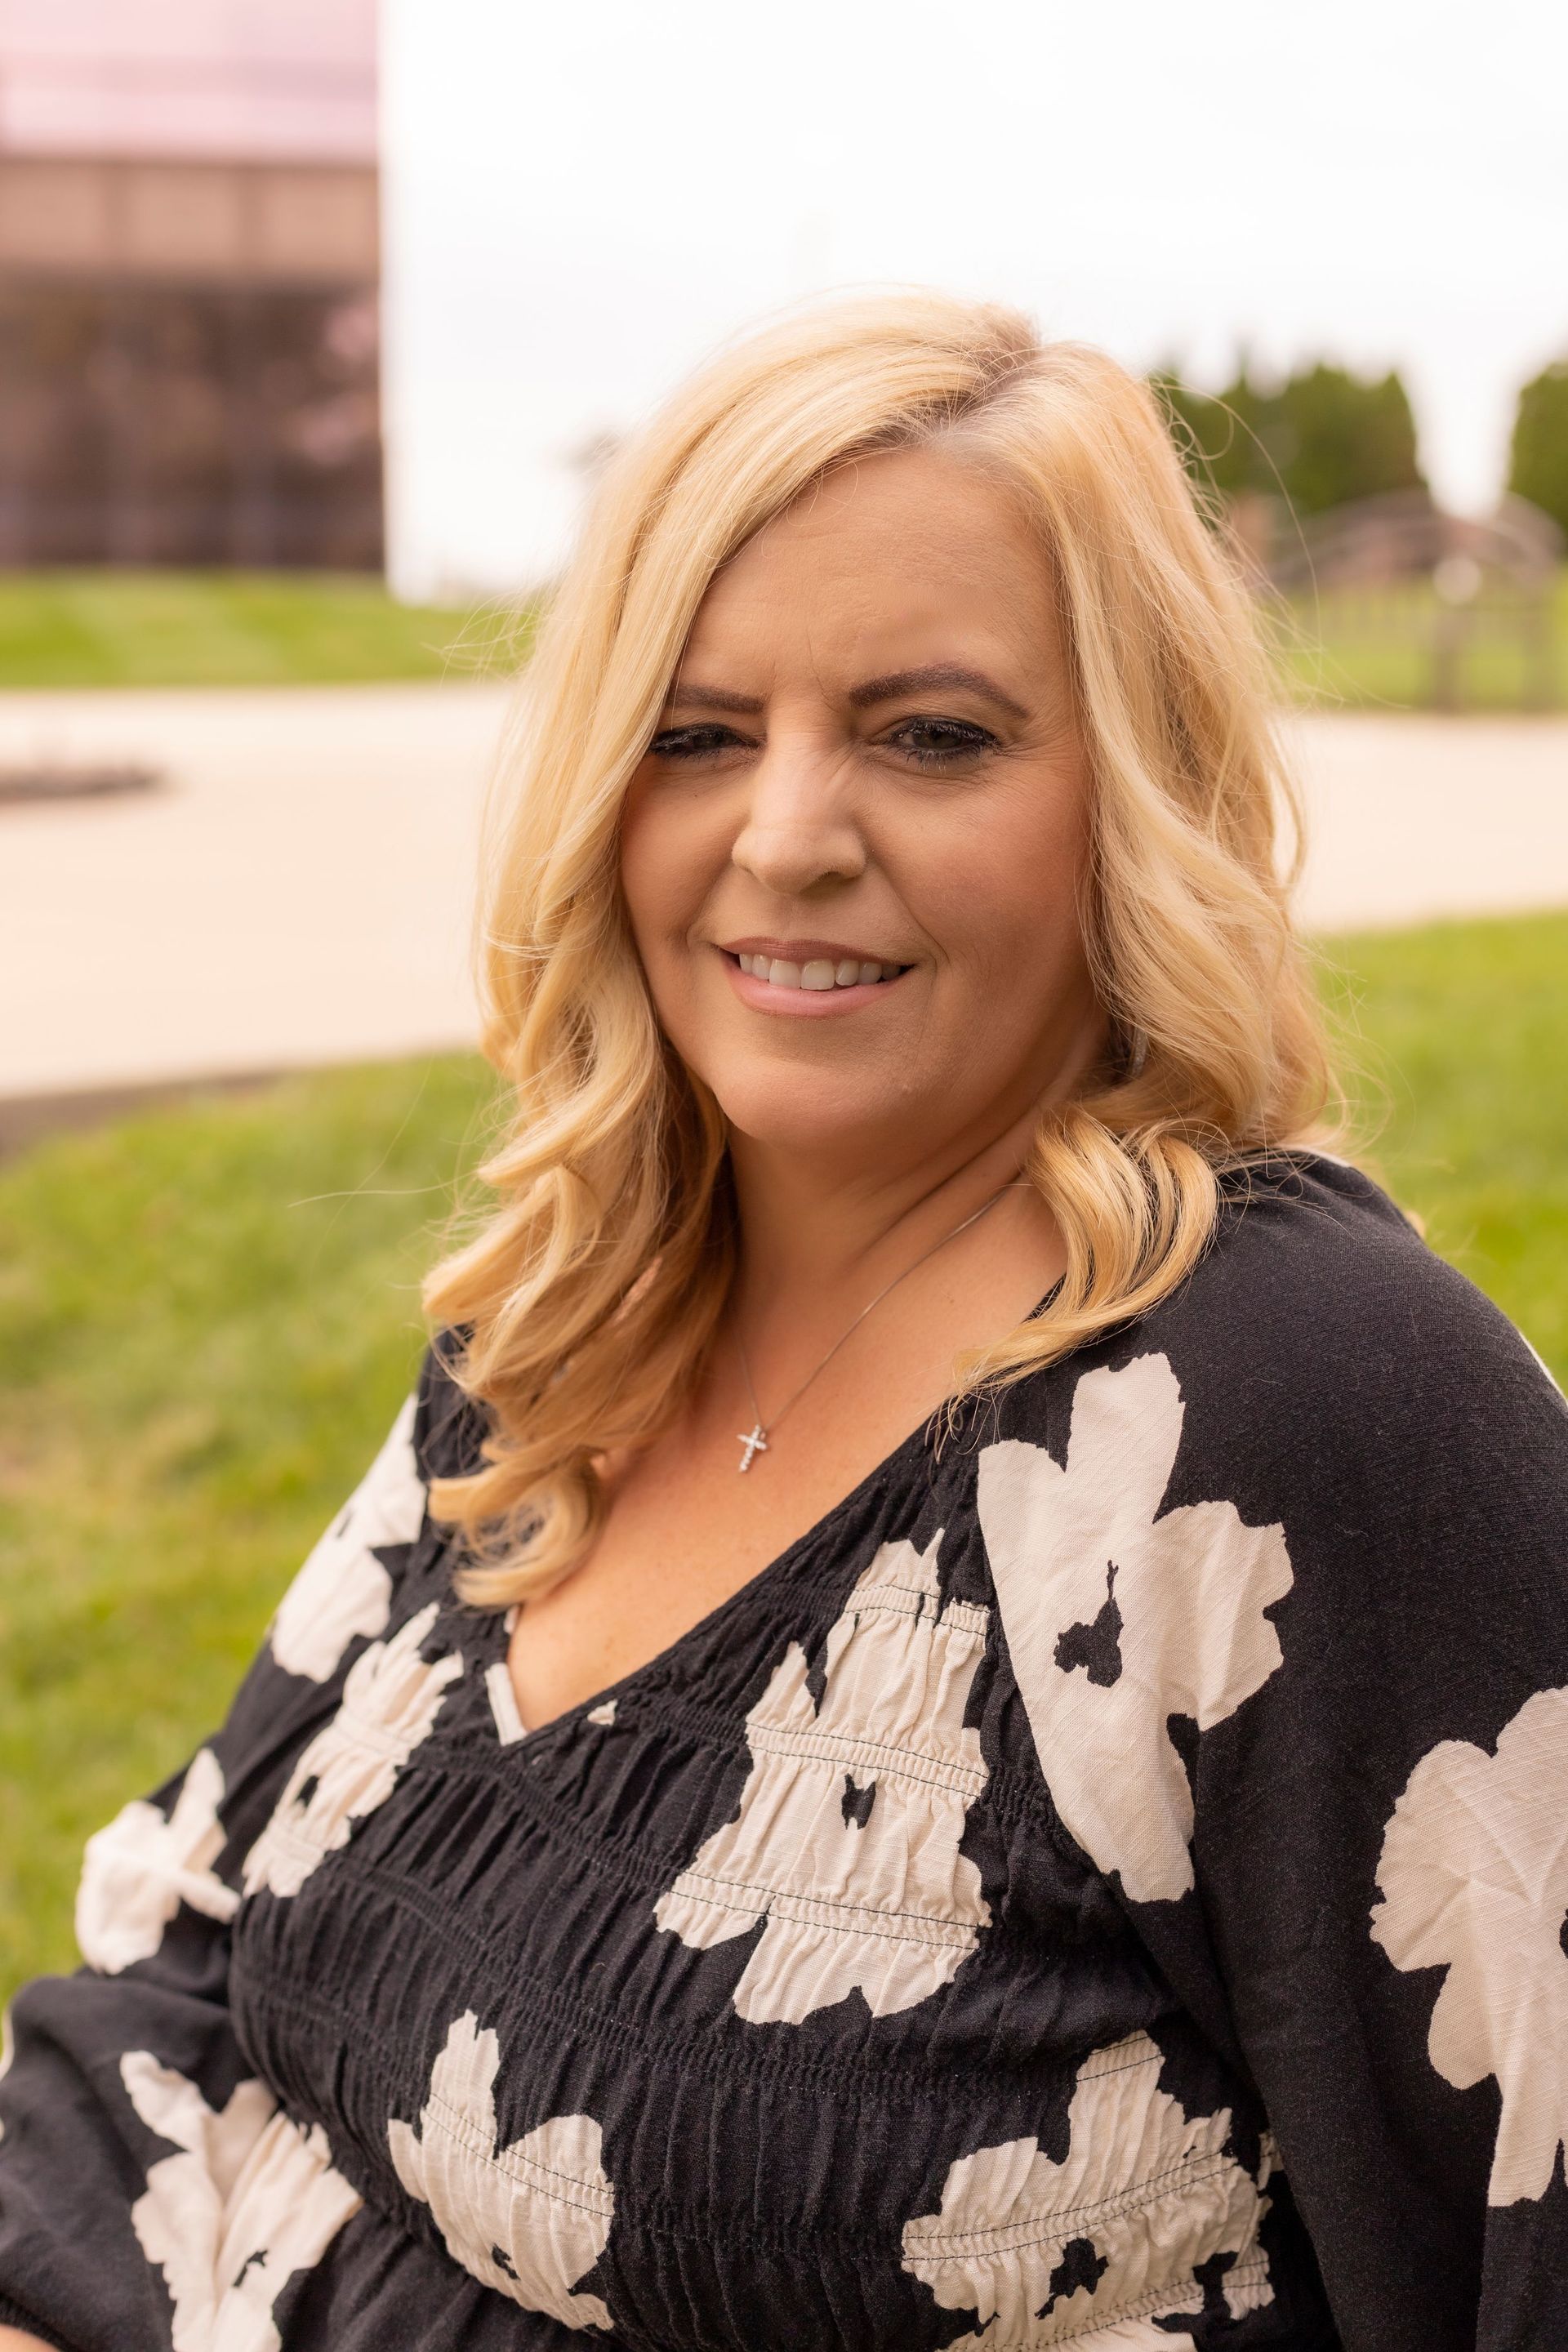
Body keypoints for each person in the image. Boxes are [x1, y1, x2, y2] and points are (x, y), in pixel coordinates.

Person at [1, 293, 1565, 2352]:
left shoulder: (1302, 1418)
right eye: (699, 732)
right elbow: (173, 1989)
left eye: (933, 735)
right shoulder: (563, 1320)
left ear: (1137, 792)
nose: (789, 835)